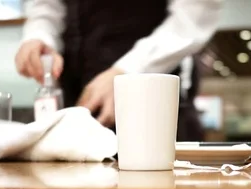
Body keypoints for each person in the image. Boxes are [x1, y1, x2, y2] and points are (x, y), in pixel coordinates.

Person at [15, 0, 223, 141]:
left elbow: (195, 15)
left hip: (152, 111)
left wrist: (129, 71)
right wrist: (39, 36)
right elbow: (45, 7)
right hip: (73, 108)